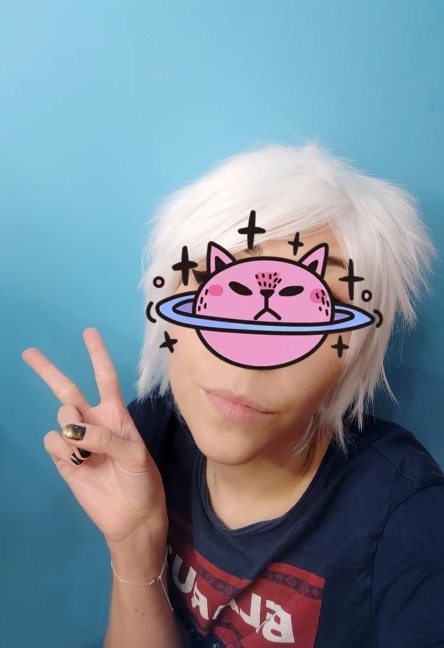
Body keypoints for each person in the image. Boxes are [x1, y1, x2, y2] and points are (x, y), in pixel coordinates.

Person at [22, 143, 444, 647]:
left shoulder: (408, 520)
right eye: (223, 286)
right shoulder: (147, 439)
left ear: (355, 347)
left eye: (308, 306)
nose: (248, 356)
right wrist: (135, 546)